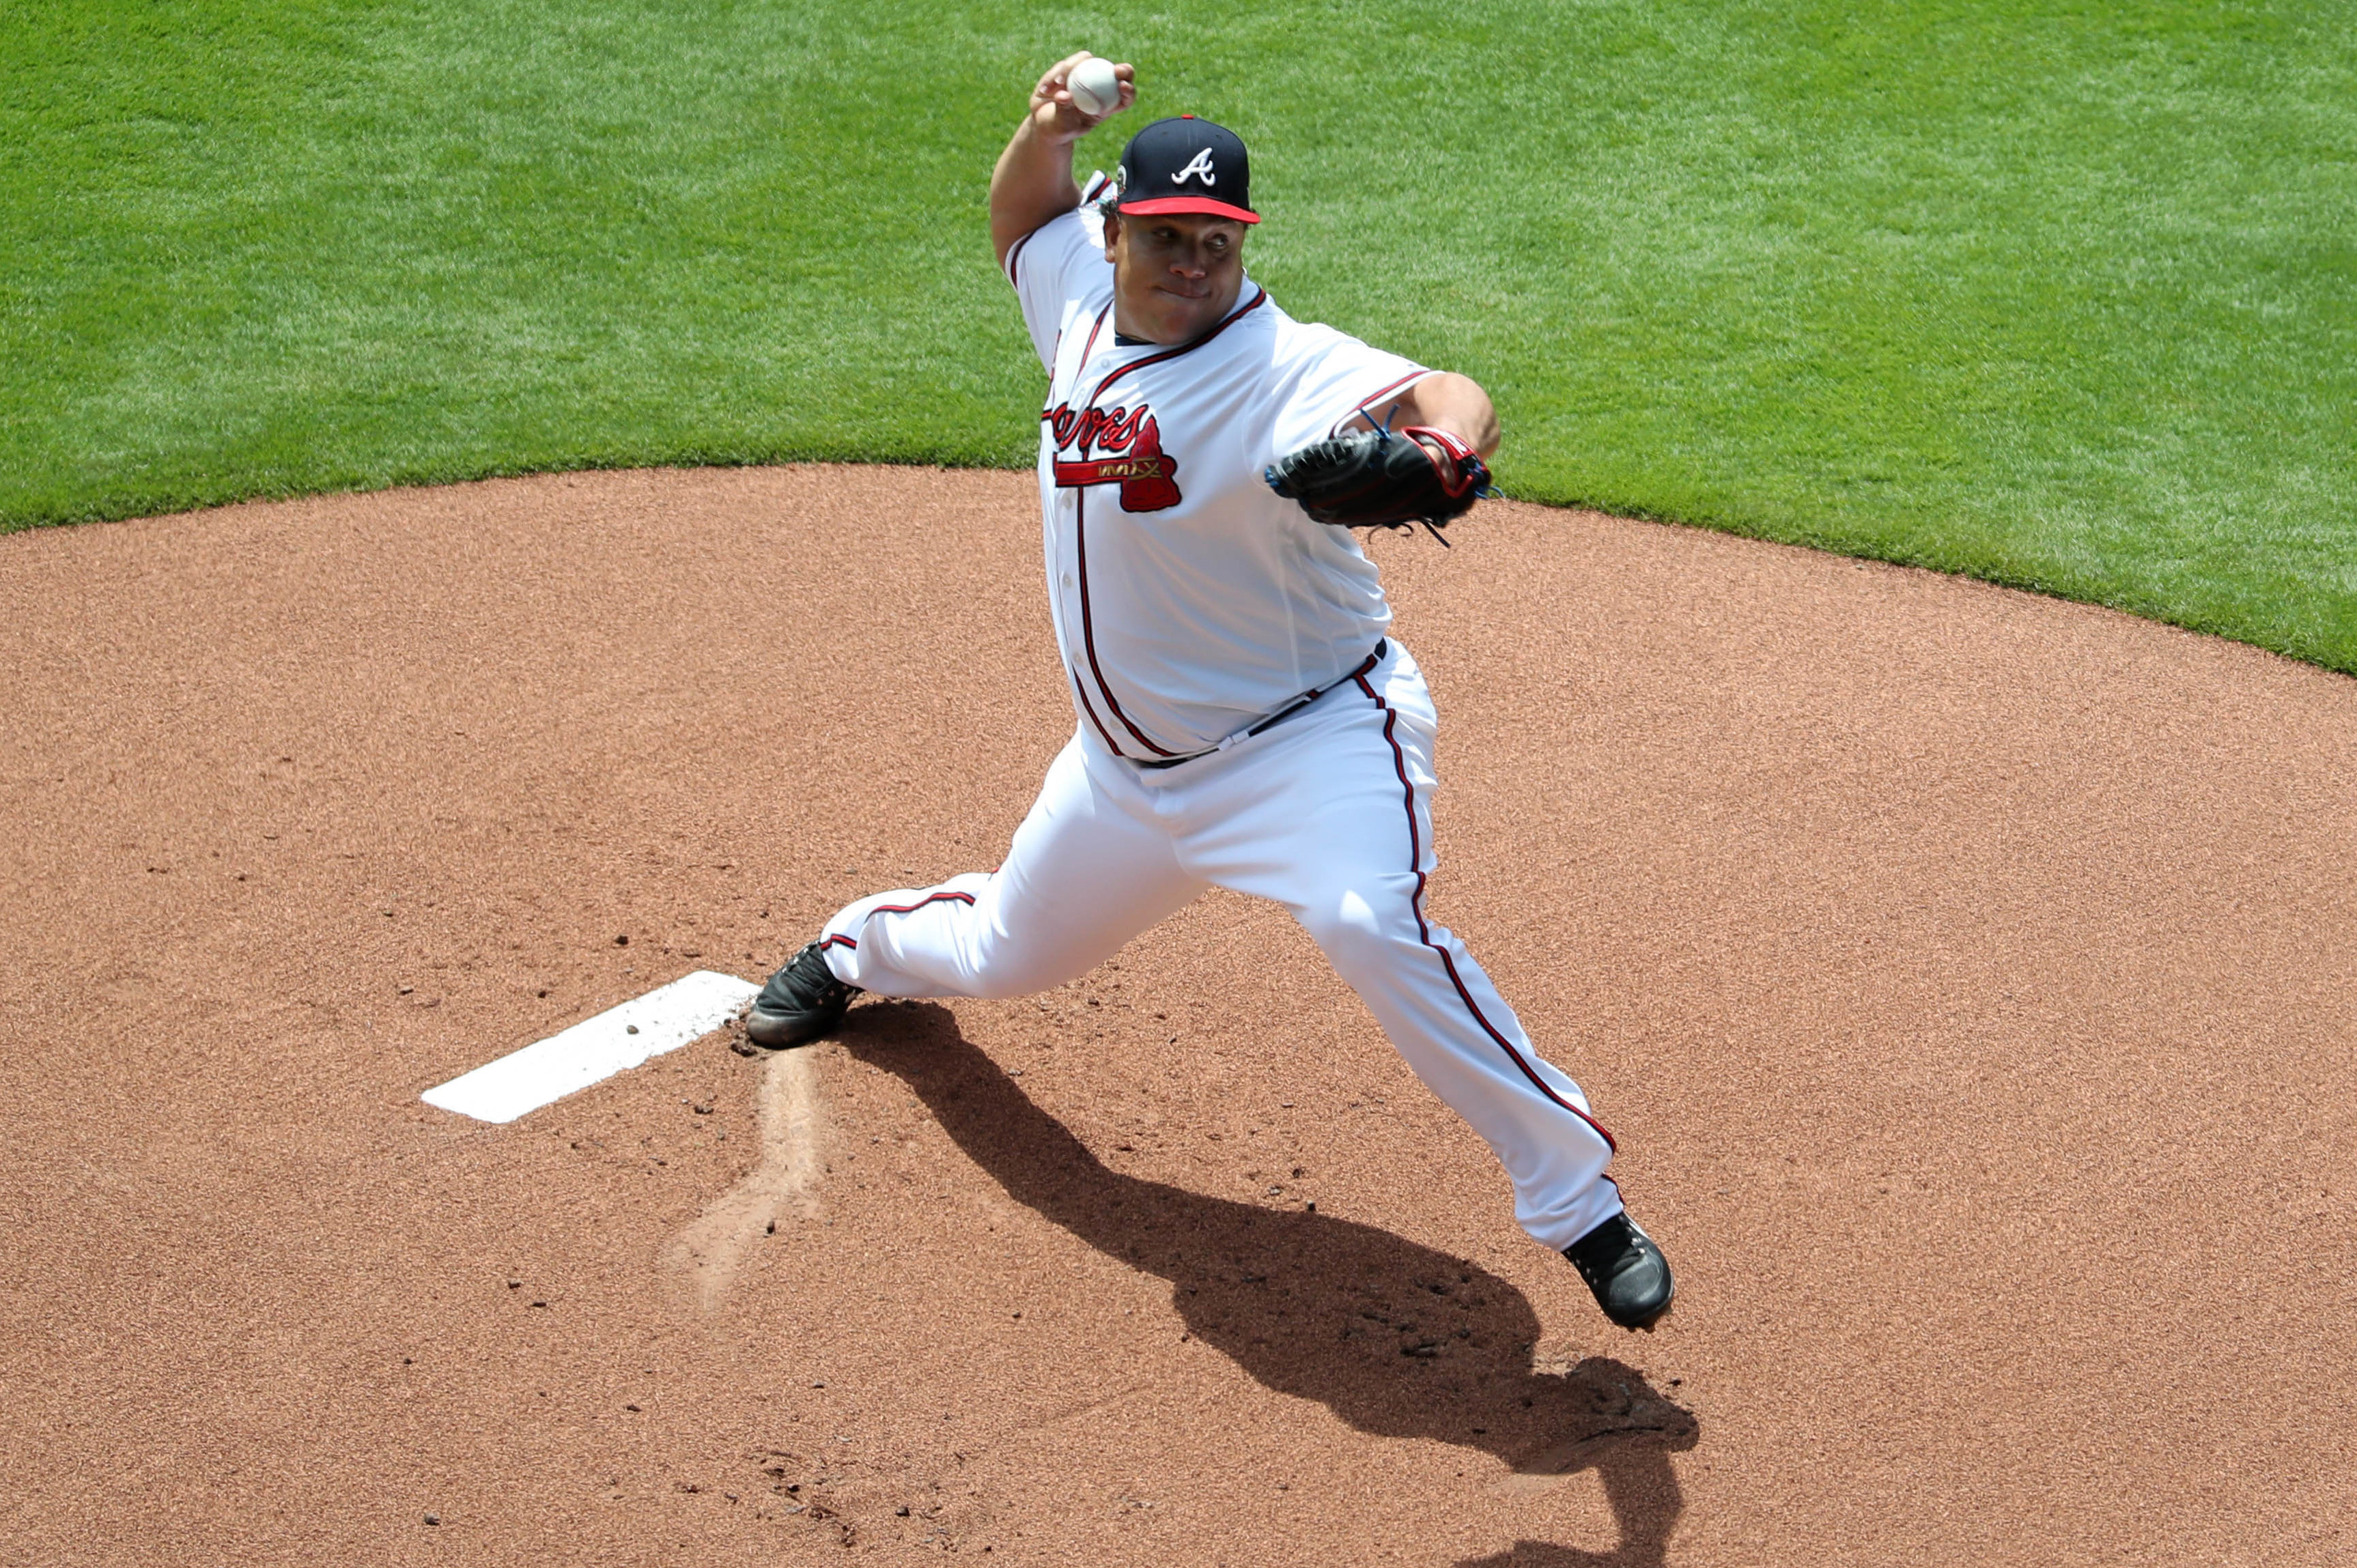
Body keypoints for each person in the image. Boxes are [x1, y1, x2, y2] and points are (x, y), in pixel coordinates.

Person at [748, 55, 1674, 1330]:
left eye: (1220, 240)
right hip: (1125, 776)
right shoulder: (1077, 292)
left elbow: (1442, 393)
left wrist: (1446, 450)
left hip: (1310, 746)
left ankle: (1581, 1206)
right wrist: (1046, 125)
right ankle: (853, 946)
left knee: (1369, 921)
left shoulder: (1284, 363)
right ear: (1117, 228)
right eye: (1171, 235)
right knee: (1003, 953)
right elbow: (1022, 218)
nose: (1196, 260)